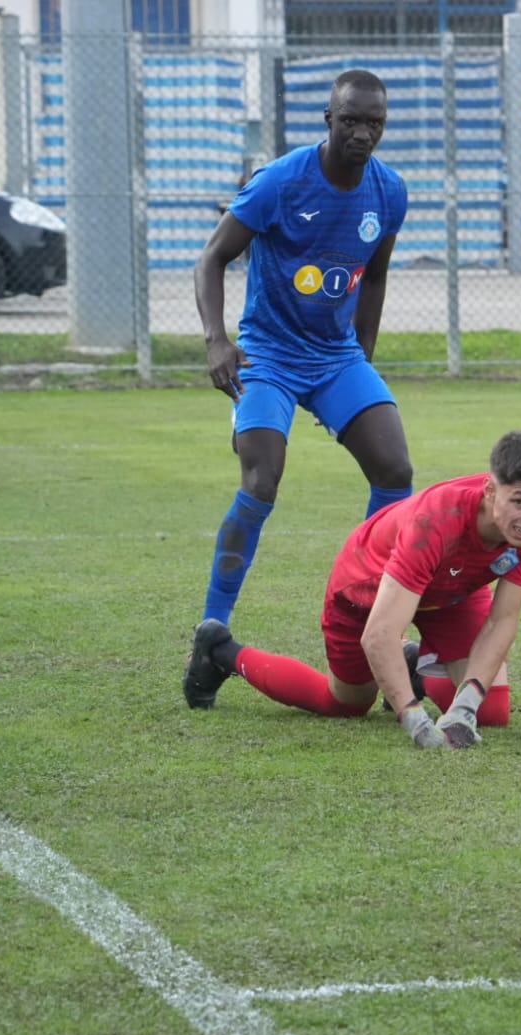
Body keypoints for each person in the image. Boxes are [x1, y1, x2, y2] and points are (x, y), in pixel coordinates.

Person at [185, 68, 415, 710]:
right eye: (351, 121)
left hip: (336, 357)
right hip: (268, 357)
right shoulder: (282, 181)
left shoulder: (389, 192)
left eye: (375, 123)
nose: (362, 133)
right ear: (328, 118)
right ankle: (210, 628)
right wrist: (217, 340)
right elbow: (211, 258)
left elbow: (373, 280)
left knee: (395, 469)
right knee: (262, 479)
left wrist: (361, 364)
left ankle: (376, 619)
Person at [186, 431, 521, 750]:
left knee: (491, 712)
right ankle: (221, 651)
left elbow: (502, 620)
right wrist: (413, 718)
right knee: (346, 703)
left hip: (450, 589)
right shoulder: (436, 521)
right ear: (489, 490)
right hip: (367, 586)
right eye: (520, 502)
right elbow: (379, 633)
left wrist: (468, 702)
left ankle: (410, 665)